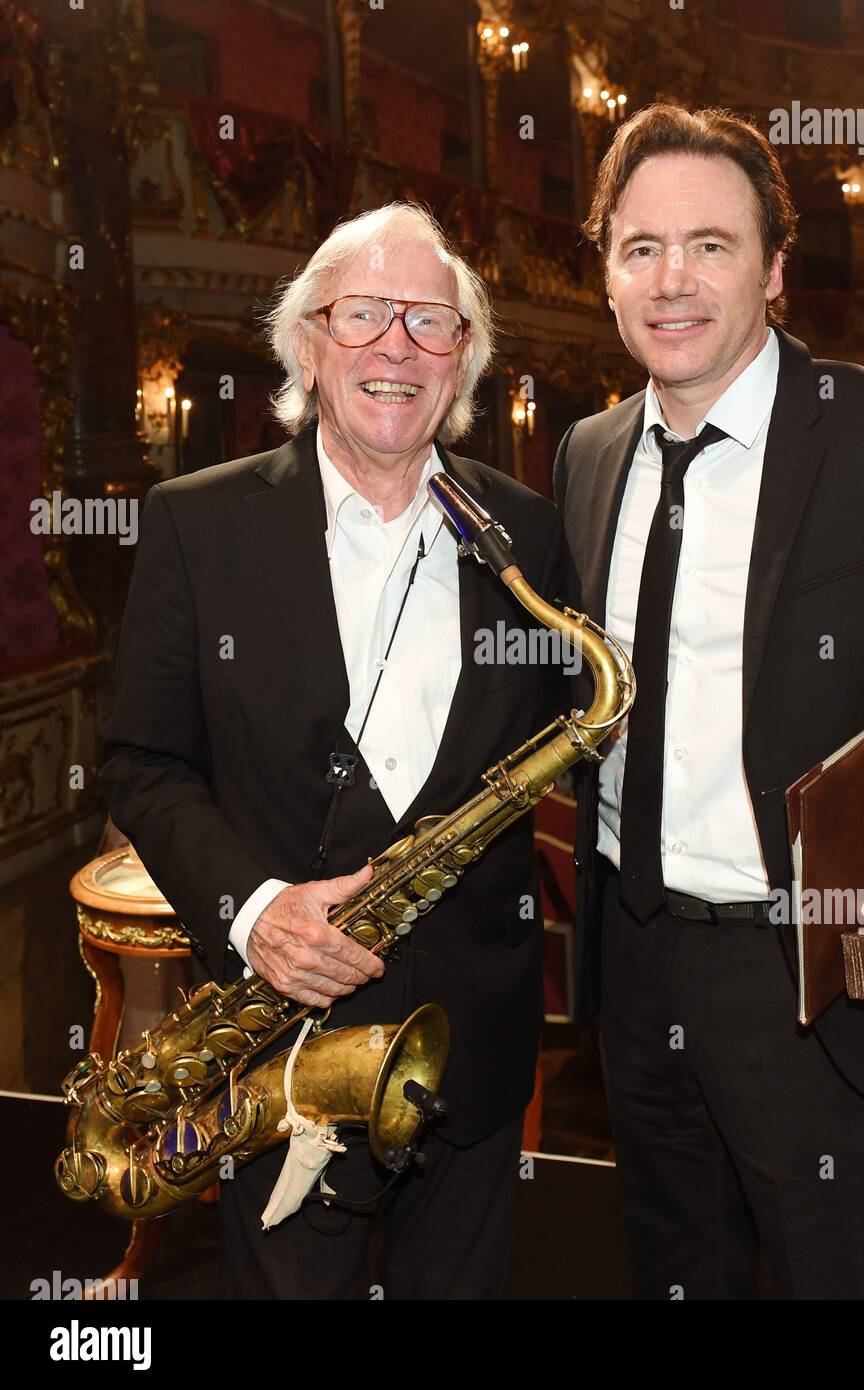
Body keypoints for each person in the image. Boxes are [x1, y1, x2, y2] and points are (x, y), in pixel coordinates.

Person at [553, 103, 864, 1299]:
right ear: (607, 275)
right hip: (631, 964)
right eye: (640, 248)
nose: (672, 279)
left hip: (810, 976)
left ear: (774, 270)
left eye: (710, 245)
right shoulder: (584, 452)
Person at [100, 202, 566, 1299]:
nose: (395, 346)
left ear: (462, 363)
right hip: (278, 1049)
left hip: (476, 1052)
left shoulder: (528, 534)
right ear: (306, 343)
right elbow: (141, 763)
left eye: (427, 322)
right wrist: (254, 908)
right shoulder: (193, 524)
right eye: (361, 316)